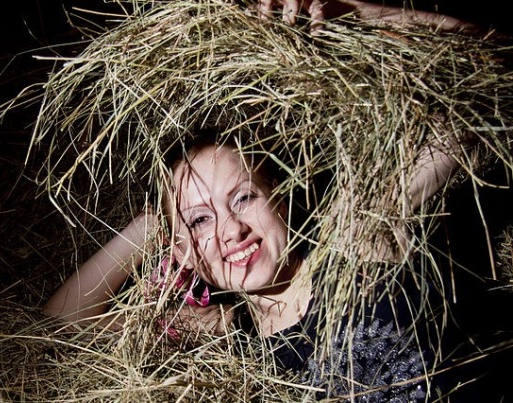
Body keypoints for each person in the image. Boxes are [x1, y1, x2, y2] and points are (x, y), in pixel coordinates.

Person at [42, 0, 497, 400]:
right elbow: (63, 322)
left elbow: (486, 69)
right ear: (181, 250)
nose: (231, 229)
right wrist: (151, 226)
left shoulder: (356, 239)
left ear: (281, 197)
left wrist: (348, 14)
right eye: (200, 220)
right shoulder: (226, 335)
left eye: (243, 197)